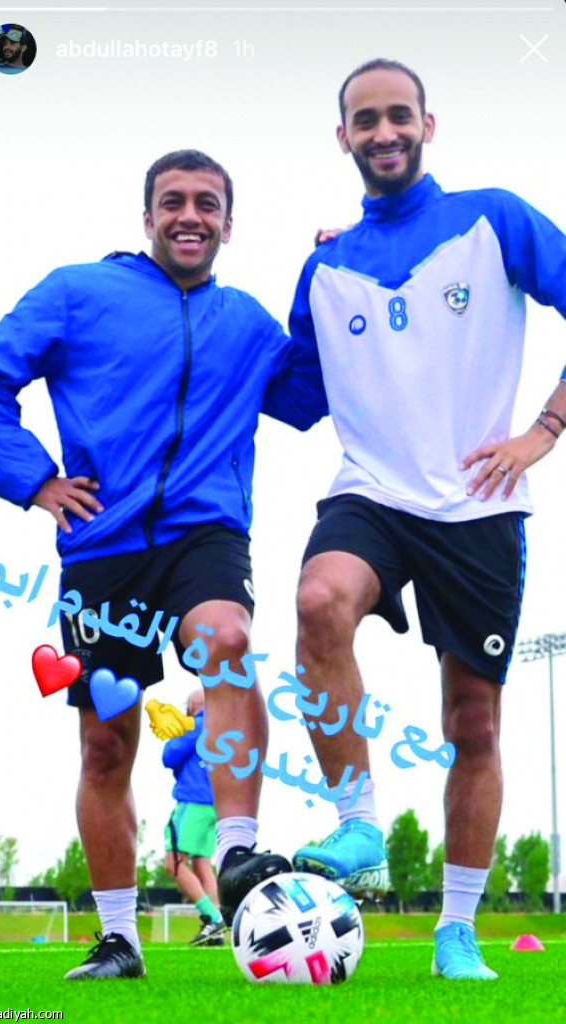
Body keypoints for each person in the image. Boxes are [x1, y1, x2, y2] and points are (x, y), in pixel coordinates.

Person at [0, 149, 327, 979]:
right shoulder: (77, 292)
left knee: (226, 639)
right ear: (147, 217)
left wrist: (322, 282)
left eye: (206, 203)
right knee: (105, 745)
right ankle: (119, 939)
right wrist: (35, 481)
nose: (189, 215)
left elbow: (305, 398)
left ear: (228, 223)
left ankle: (236, 853)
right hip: (103, 544)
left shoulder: (246, 323)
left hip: (206, 533)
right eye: (173, 201)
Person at [287, 59, 566, 980]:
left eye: (398, 115)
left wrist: (543, 430)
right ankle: (359, 826)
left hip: (478, 501)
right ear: (343, 137)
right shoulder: (325, 267)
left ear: (427, 125)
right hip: (371, 492)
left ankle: (456, 929)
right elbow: (293, 391)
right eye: (365, 120)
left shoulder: (497, 219)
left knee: (473, 724)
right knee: (320, 600)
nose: (384, 132)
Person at [147, 690, 225, 947]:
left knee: (175, 863)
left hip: (193, 803)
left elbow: (169, 756)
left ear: (193, 705)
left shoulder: (194, 725)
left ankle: (213, 918)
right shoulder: (225, 727)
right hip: (216, 805)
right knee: (203, 863)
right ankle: (215, 930)